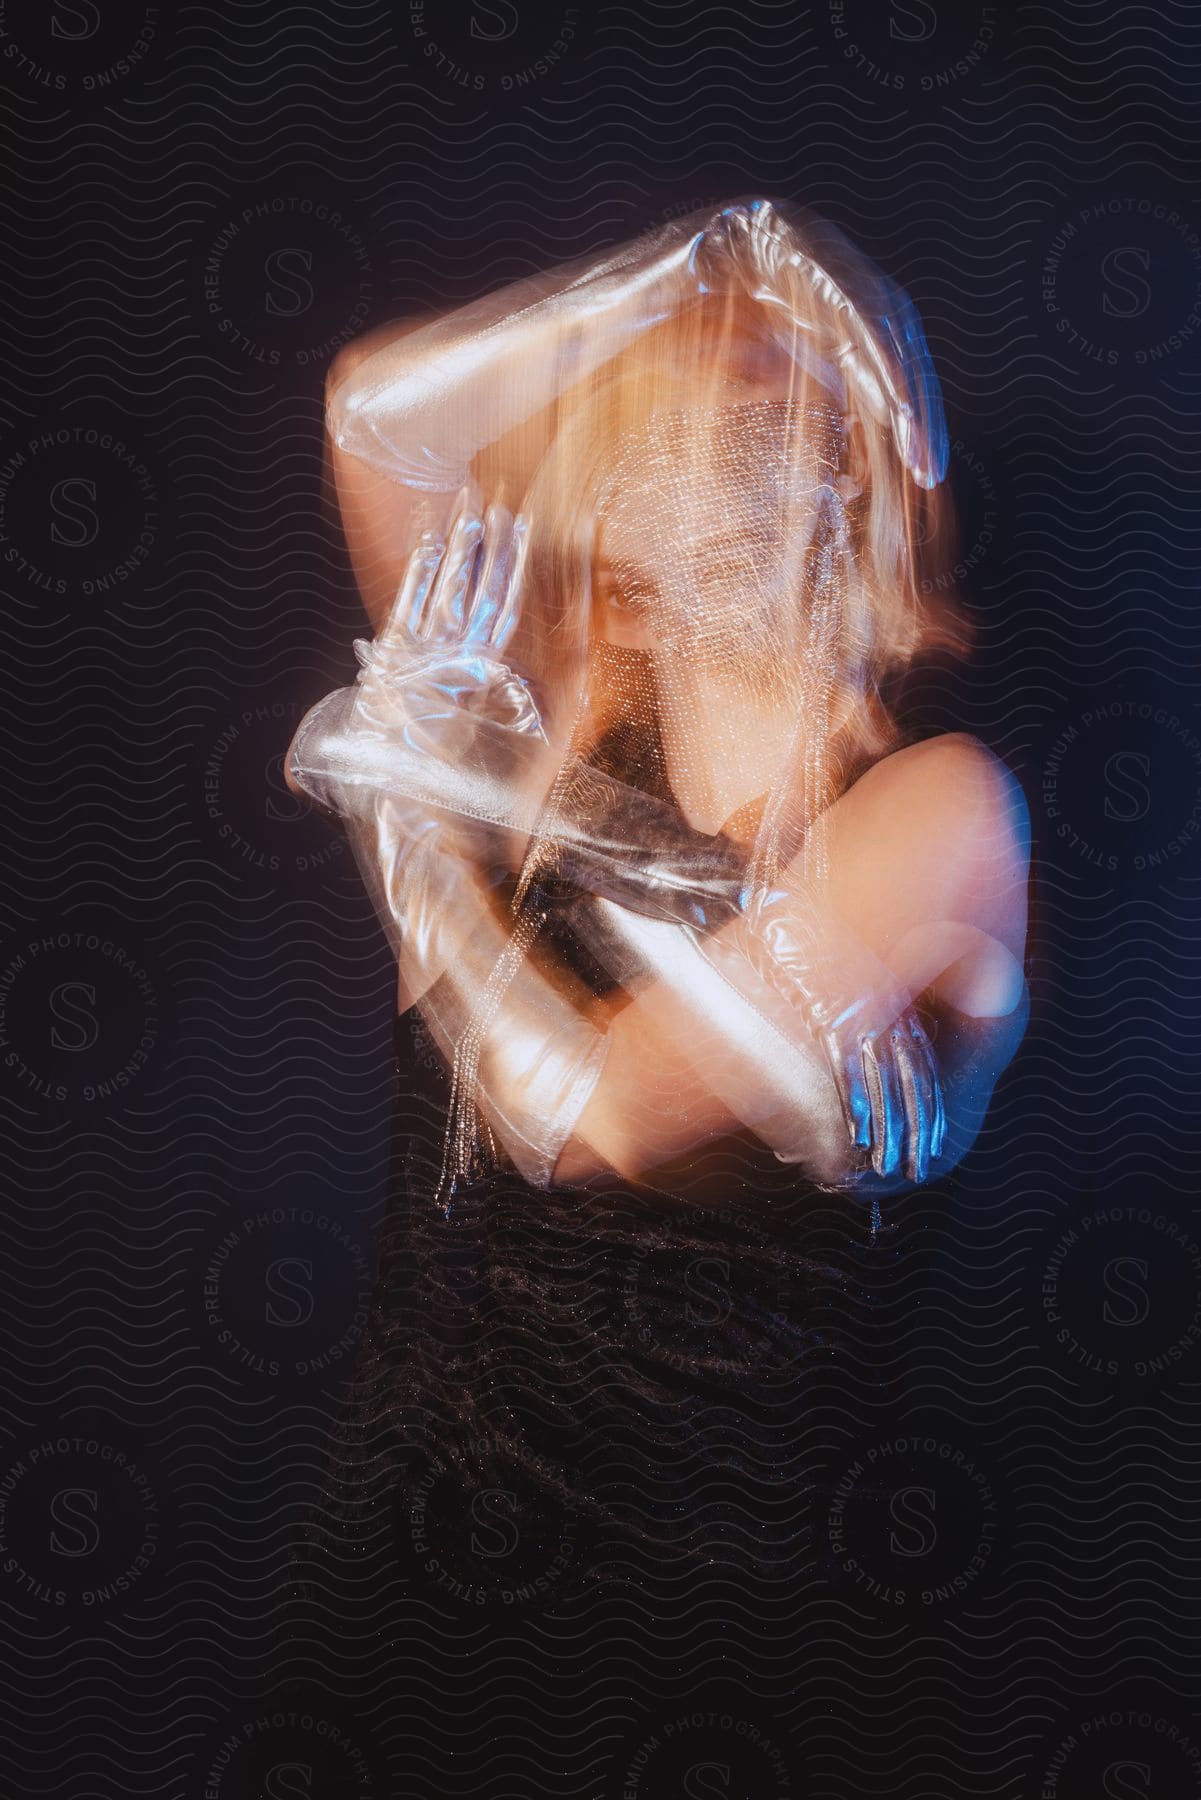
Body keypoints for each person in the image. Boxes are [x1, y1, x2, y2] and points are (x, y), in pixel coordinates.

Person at [284, 200, 1030, 1571]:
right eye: (675, 376)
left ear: (847, 468)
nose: (719, 378)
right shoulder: (553, 718)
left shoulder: (938, 811)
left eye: (768, 370)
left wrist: (415, 808)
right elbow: (374, 418)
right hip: (406, 1522)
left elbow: (588, 1122)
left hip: (677, 1581)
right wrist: (696, 260)